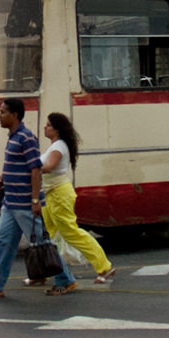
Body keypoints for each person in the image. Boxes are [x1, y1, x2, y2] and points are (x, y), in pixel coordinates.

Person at [0, 98, 47, 299]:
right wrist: (4, 177)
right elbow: (19, 165)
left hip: (24, 203)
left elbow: (35, 169)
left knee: (42, 244)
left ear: (14, 115)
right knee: (4, 242)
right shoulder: (13, 137)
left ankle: (65, 279)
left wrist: (35, 201)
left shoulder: (26, 137)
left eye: (3, 112)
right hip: (10, 202)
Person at [39, 112, 115, 288]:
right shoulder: (54, 145)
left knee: (70, 232)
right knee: (49, 234)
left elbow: (49, 167)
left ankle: (103, 266)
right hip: (49, 194)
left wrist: (30, 166)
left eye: (48, 125)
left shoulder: (58, 146)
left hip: (59, 194)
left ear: (57, 129)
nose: (45, 127)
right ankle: (46, 271)